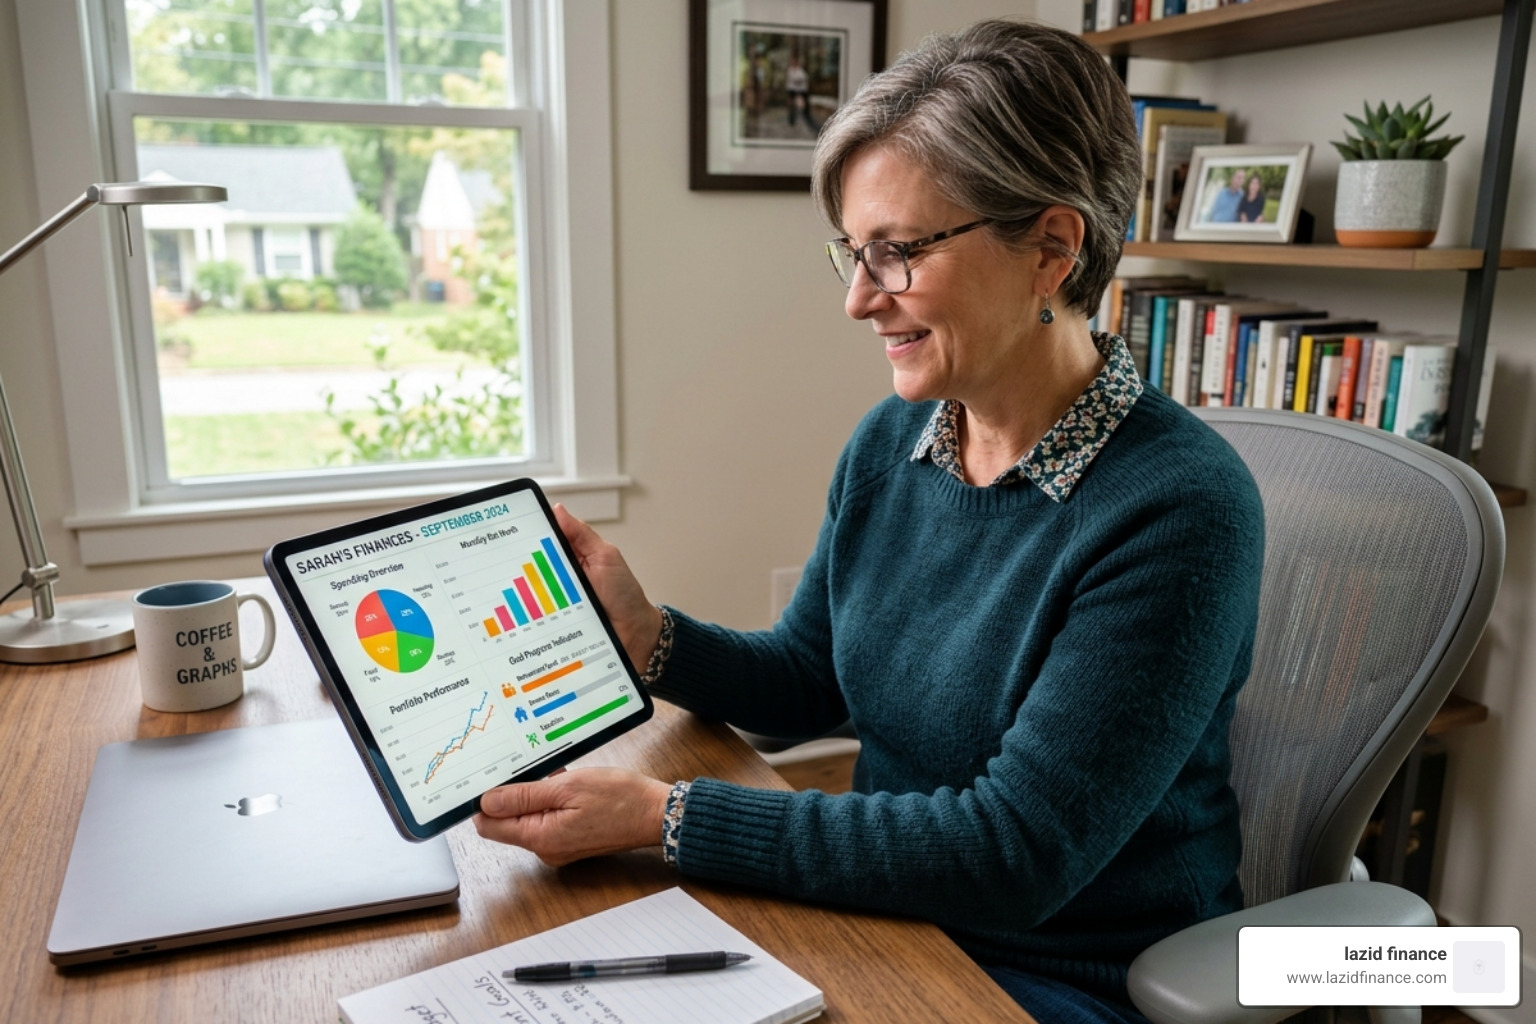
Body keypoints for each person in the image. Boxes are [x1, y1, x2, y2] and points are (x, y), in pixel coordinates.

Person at [473, 20, 1264, 1024]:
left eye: (896, 254)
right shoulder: (896, 442)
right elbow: (812, 676)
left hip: (1065, 976)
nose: (857, 300)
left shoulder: (1180, 510)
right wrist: (650, 638)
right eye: (852, 253)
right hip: (887, 917)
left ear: (1052, 250)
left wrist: (668, 816)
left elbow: (1012, 855)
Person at [785, 55, 816, 131]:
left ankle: (807, 120)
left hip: (801, 91)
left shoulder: (800, 71)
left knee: (803, 107)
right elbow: (790, 81)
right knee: (792, 107)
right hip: (792, 91)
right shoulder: (790, 70)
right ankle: (792, 121)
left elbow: (800, 79)